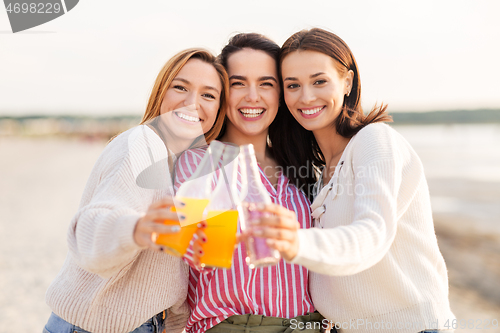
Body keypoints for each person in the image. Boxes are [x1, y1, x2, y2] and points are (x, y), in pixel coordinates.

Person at [252, 28, 456, 333]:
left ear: (347, 81)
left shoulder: (375, 141)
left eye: (319, 81)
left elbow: (372, 234)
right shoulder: (322, 173)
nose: (306, 96)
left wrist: (297, 241)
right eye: (293, 85)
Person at [44, 48, 229, 333]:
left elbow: (202, 259)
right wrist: (137, 229)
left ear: (219, 108)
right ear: (161, 93)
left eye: (208, 95)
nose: (192, 103)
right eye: (180, 87)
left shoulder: (189, 165)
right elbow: (93, 226)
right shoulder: (143, 142)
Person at [174, 33, 323, 333]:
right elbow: (196, 253)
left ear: (281, 95)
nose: (252, 96)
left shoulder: (303, 171)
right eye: (238, 83)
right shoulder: (200, 163)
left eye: (266, 84)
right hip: (234, 326)